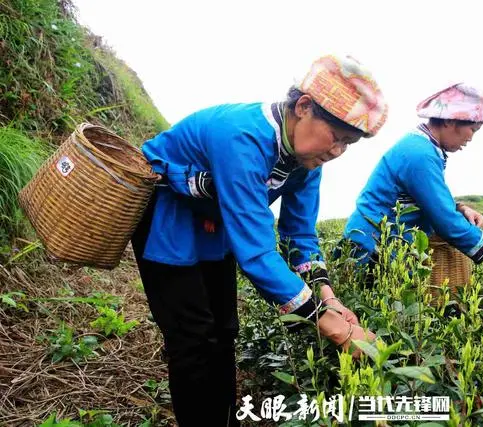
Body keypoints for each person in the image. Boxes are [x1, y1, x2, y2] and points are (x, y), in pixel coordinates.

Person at [130, 55, 387, 426]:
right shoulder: (242, 137)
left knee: (223, 331)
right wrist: (327, 322)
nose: (336, 152)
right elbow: (256, 252)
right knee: (192, 337)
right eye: (337, 137)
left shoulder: (307, 161)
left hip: (216, 222)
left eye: (348, 144)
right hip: (169, 216)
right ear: (303, 107)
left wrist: (328, 296)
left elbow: (299, 233)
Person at [341, 83, 483, 287]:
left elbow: (426, 197)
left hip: (378, 244)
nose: (470, 138)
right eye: (472, 129)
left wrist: (460, 207)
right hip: (372, 248)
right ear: (450, 121)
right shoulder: (420, 154)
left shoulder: (422, 147)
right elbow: (446, 221)